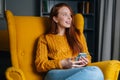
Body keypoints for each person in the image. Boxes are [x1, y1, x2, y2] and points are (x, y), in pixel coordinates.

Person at [35, 3, 104, 80]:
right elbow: (40, 65)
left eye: (70, 15)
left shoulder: (78, 35)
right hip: (54, 73)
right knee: (96, 72)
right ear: (55, 19)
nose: (69, 18)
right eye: (65, 15)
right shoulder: (44, 38)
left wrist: (85, 61)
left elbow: (87, 55)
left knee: (96, 72)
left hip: (75, 70)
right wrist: (62, 63)